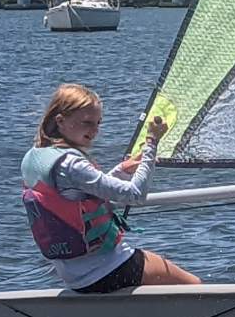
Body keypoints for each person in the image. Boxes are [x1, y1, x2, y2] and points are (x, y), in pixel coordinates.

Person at [21, 83, 201, 293]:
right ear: (60, 121)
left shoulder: (35, 157)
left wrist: (122, 170)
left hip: (74, 277)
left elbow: (81, 194)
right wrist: (152, 142)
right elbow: (136, 195)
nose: (94, 130)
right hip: (111, 269)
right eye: (87, 122)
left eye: (98, 123)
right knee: (194, 287)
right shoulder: (72, 164)